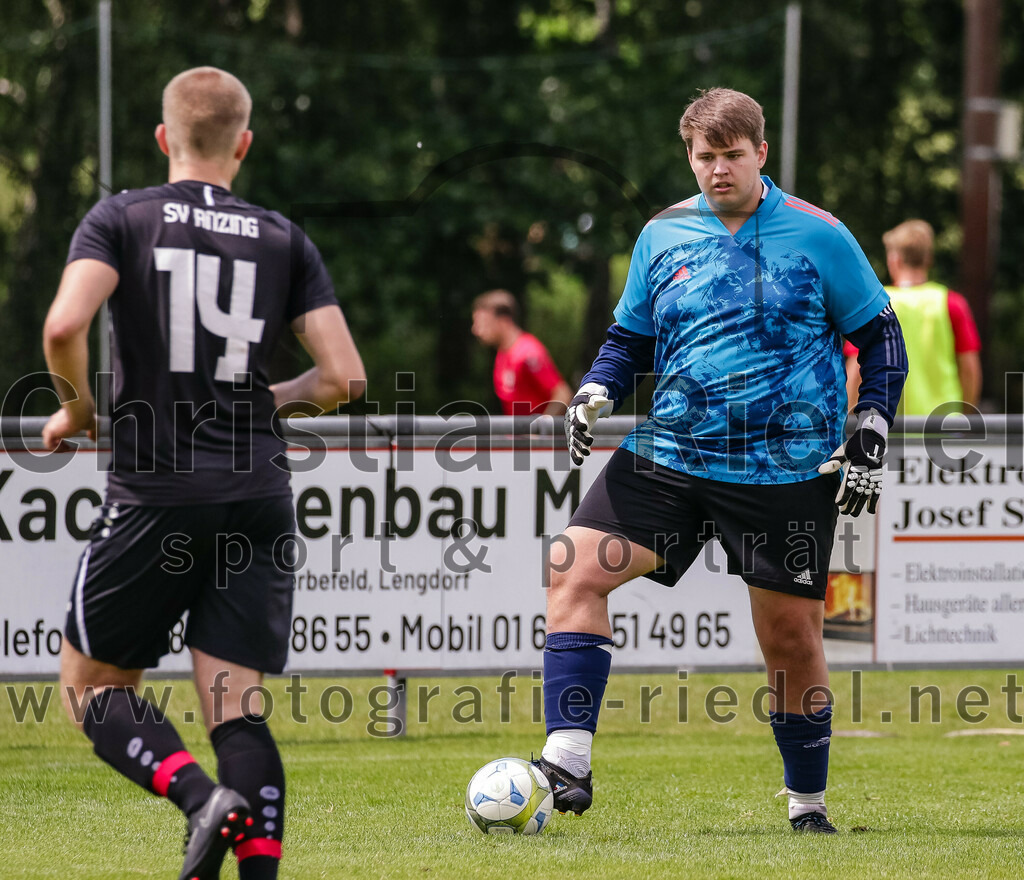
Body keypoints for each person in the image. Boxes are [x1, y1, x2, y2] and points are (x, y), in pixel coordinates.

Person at [531, 88, 907, 833]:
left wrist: (871, 426)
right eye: (705, 157)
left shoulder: (821, 235)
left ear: (761, 153)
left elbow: (882, 340)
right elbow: (630, 337)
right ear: (690, 157)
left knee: (791, 641)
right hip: (671, 452)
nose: (718, 169)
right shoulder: (660, 234)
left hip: (784, 467)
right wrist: (596, 387)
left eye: (733, 155)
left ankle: (807, 807)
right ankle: (567, 762)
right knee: (573, 567)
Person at [42, 67, 365, 880]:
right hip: (259, 494)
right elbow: (343, 377)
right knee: (236, 709)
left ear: (163, 137)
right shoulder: (282, 238)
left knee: (92, 687)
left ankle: (199, 799)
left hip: (160, 492)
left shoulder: (122, 217)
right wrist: (264, 401)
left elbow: (64, 326)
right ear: (243, 144)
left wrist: (77, 411)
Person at [845, 219, 981, 415]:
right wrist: (966, 416)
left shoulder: (876, 305)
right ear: (928, 259)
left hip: (889, 424)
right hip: (944, 424)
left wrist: (851, 419)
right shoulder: (951, 303)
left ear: (895, 259)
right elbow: (969, 370)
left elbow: (857, 370)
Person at [471, 289, 572, 415]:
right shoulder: (503, 353)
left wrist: (543, 423)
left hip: (533, 428)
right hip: (518, 428)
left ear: (503, 321)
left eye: (483, 323)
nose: (476, 330)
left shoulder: (528, 353)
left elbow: (563, 394)